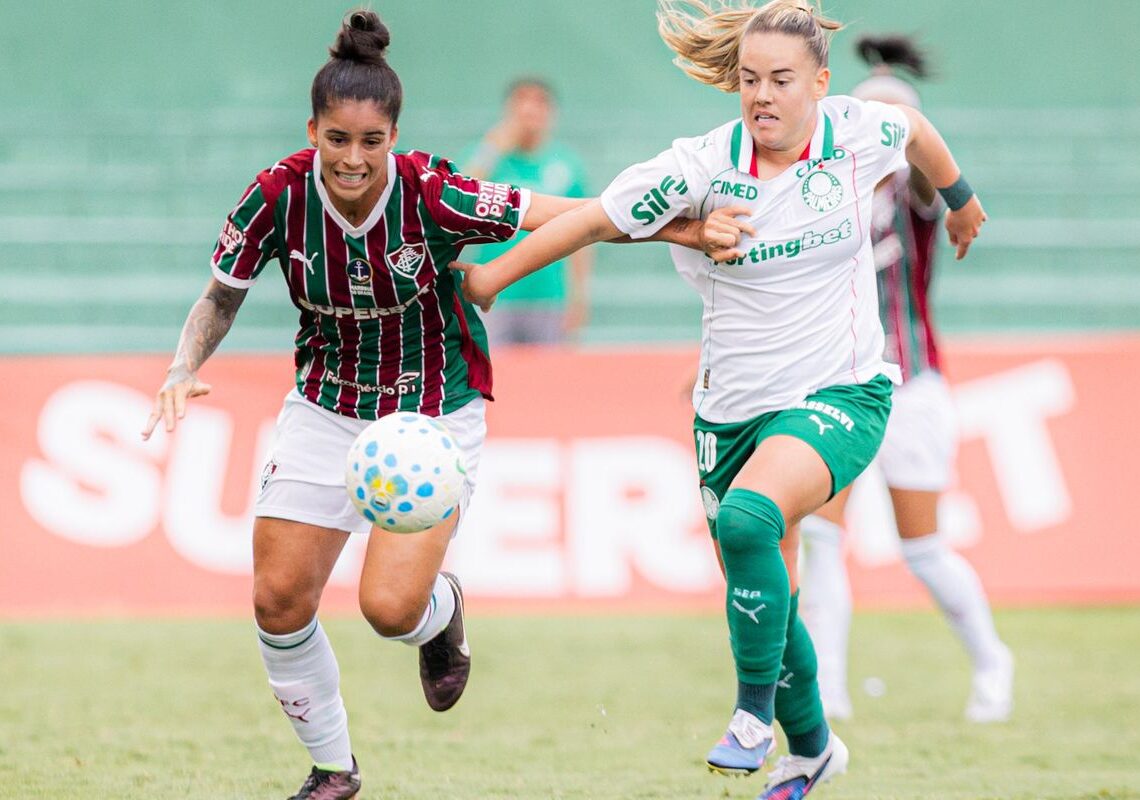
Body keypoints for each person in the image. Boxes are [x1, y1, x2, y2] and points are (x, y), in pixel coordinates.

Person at [139, 11, 712, 799]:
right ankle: (333, 770)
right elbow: (219, 297)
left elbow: (565, 214)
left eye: (370, 142)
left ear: (394, 138)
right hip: (325, 405)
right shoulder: (274, 196)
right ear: (312, 131)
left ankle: (441, 616)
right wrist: (183, 365)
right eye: (337, 139)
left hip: (432, 413)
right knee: (276, 600)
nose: (353, 158)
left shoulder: (432, 192)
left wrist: (685, 231)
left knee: (388, 608)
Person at [450, 2, 986, 797]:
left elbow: (916, 133)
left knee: (747, 519)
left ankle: (752, 715)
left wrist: (961, 199)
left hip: (844, 391)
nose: (762, 95)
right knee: (773, 591)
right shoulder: (700, 168)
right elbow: (593, 222)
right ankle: (813, 751)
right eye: (749, 80)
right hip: (729, 413)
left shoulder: (856, 130)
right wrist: (491, 279)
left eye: (781, 80)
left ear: (820, 83)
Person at [799, 34, 1014, 724]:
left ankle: (992, 661)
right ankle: (827, 692)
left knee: (922, 550)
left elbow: (927, 174)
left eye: (892, 121)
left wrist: (916, 141)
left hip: (911, 384)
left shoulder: (916, 192)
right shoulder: (820, 194)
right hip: (838, 384)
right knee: (821, 540)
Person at [461, 78, 593, 345]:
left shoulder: (567, 165)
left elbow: (585, 234)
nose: (529, 110)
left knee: (550, 370)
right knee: (492, 368)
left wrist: (578, 299)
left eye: (539, 102)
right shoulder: (486, 159)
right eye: (521, 101)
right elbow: (459, 201)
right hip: (495, 295)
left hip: (550, 298)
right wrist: (492, 149)